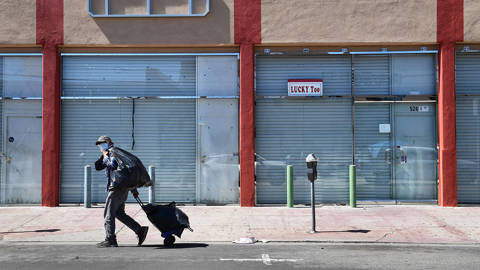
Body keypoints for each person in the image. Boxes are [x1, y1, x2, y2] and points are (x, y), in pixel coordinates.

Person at [94, 135, 149, 248]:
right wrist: (133, 189)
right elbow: (98, 166)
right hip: (123, 188)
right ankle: (139, 230)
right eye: (99, 144)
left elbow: (113, 165)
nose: (100, 146)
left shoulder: (112, 153)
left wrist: (105, 157)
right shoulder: (115, 152)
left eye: (102, 143)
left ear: (109, 142)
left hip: (116, 188)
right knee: (119, 213)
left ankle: (110, 239)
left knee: (108, 214)